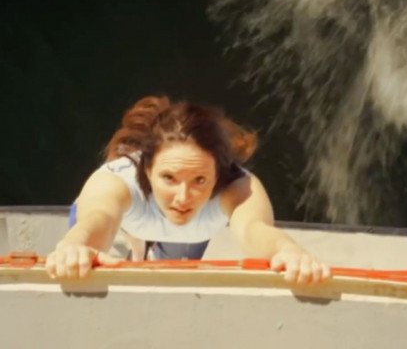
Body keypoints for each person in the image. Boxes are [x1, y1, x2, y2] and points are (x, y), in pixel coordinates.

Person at [46, 96, 331, 285]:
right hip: (126, 223)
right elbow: (100, 220)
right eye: (169, 178)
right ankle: (136, 249)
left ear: (217, 175)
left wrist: (288, 251)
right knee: (101, 270)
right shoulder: (115, 182)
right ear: (147, 170)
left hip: (187, 233)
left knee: (169, 280)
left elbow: (254, 229)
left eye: (199, 180)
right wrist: (77, 246)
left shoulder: (238, 187)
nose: (183, 198)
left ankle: (154, 253)